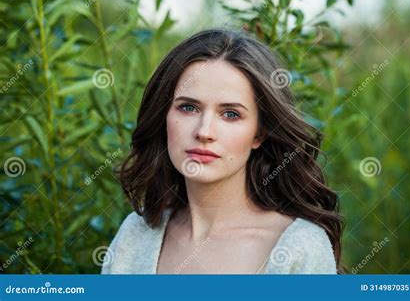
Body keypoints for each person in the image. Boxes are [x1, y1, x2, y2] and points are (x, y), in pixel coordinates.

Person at [101, 28, 344, 274]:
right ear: (163, 116)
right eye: (188, 108)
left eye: (230, 114)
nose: (204, 131)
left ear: (259, 133)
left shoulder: (300, 249)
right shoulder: (135, 236)